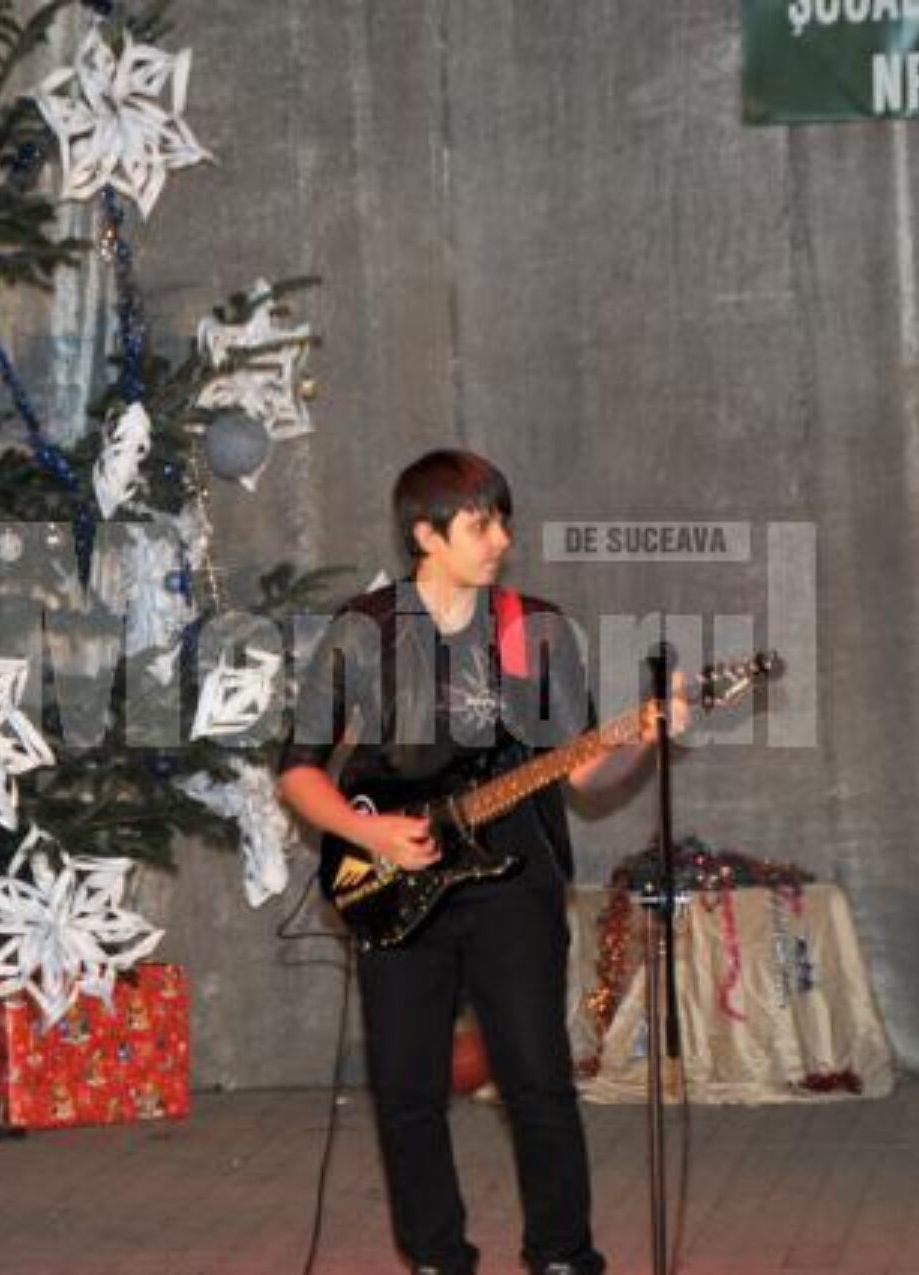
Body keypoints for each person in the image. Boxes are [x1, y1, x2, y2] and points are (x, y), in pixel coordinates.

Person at [278, 448, 687, 1275]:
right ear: (426, 535)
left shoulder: (536, 629)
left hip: (516, 888)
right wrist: (370, 834)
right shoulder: (363, 630)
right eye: (480, 523)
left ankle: (564, 1254)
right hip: (394, 882)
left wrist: (640, 739)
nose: (501, 538)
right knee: (406, 1088)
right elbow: (298, 770)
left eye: (503, 520)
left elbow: (583, 773)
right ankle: (436, 1256)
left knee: (539, 1079)